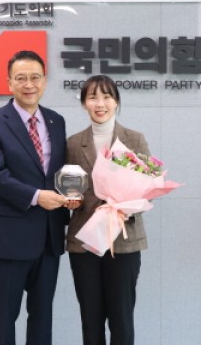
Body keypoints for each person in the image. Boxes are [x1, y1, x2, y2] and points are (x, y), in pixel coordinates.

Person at [0, 50, 73, 345]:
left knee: (42, 316)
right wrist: (36, 196)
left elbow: (59, 172)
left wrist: (71, 195)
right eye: (21, 78)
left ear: (44, 81)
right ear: (9, 83)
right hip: (9, 238)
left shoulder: (56, 121)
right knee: (5, 317)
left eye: (35, 77)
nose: (29, 84)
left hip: (49, 237)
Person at [66, 75, 149, 345]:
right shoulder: (72, 143)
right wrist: (69, 200)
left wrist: (126, 207)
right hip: (85, 242)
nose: (100, 103)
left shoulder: (134, 139)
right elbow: (67, 186)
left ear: (116, 101)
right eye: (92, 97)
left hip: (123, 241)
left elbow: (147, 188)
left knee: (121, 319)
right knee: (91, 320)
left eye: (106, 97)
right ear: (84, 104)